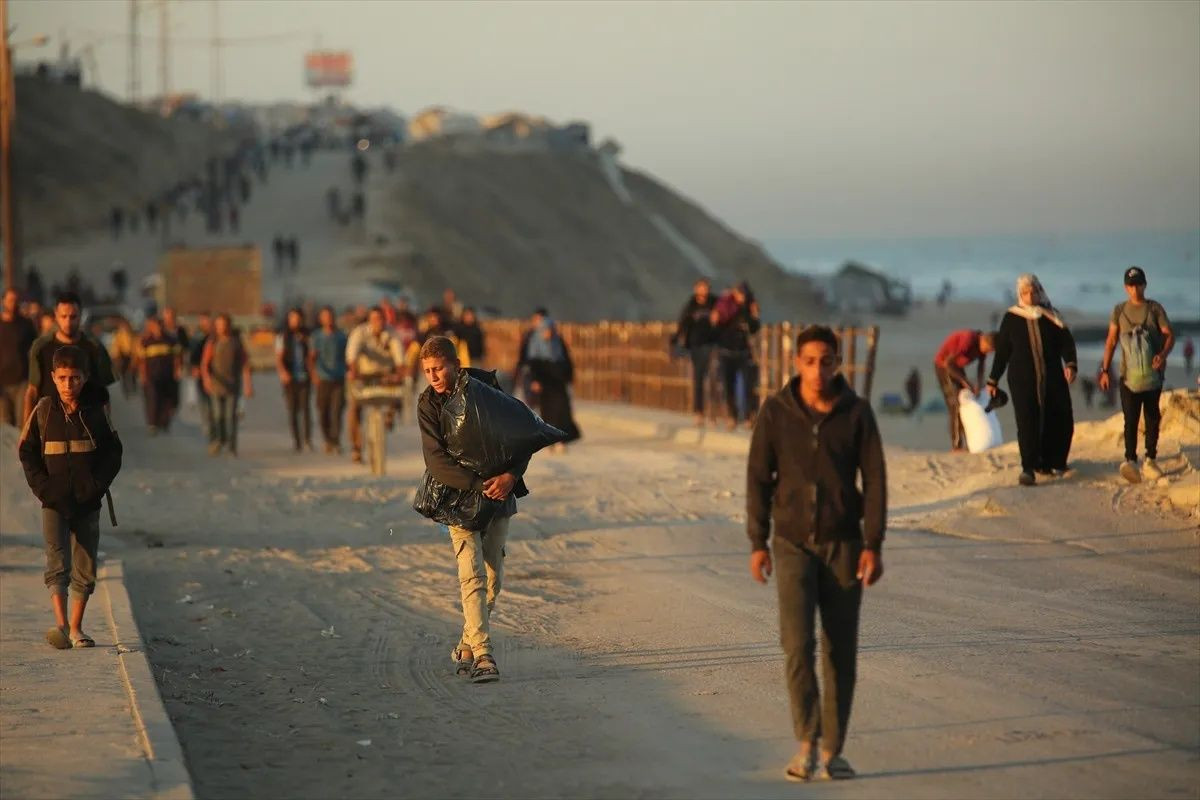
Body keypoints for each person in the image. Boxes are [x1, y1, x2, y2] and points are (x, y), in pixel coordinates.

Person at [746, 325, 886, 782]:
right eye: (809, 361)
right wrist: (757, 542)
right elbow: (757, 479)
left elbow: (875, 481)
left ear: (838, 362)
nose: (818, 370)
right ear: (796, 363)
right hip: (790, 544)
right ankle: (805, 745)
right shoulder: (776, 412)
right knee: (797, 645)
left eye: (826, 361)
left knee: (840, 651)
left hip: (845, 545)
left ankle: (834, 751)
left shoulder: (857, 414)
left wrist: (873, 544)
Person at [417, 336, 531, 684]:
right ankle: (483, 655)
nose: (433, 377)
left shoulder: (486, 386)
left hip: (500, 493)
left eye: (438, 369)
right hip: (459, 499)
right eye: (427, 371)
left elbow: (522, 434)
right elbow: (436, 462)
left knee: (494, 577)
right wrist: (480, 484)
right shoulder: (428, 405)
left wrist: (511, 476)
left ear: (454, 364)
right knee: (472, 576)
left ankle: (466, 643)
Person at [18, 345, 123, 650]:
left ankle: (77, 628)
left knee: (85, 564)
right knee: (56, 560)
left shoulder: (96, 413)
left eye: (74, 378)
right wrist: (43, 488)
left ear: (85, 378)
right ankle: (61, 625)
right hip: (53, 502)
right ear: (53, 376)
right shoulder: (44, 410)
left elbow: (113, 454)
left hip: (88, 502)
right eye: (62, 378)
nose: (68, 385)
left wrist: (96, 485)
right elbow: (27, 453)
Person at [987, 274, 1078, 486]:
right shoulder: (1011, 318)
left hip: (1053, 376)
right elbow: (1002, 352)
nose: (1030, 296)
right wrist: (993, 380)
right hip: (1022, 379)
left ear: (1039, 291)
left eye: (1033, 291)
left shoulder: (1052, 316)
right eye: (1025, 292)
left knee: (1061, 418)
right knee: (1027, 421)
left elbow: (1067, 343)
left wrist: (1071, 364)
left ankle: (1052, 462)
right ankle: (1028, 468)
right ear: (1020, 294)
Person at [1098, 267, 1174, 483]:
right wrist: (1105, 371)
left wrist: (1163, 354)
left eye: (1138, 284)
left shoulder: (1154, 309)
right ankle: (1131, 460)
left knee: (1152, 418)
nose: (1135, 288)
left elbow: (1170, 335)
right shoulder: (1119, 311)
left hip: (1153, 376)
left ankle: (1150, 458)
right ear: (1125, 287)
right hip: (1127, 377)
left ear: (1145, 285)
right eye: (1131, 285)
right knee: (1130, 419)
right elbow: (1111, 341)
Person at [24, 293, 116, 426]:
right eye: (63, 316)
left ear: (80, 315)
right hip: (50, 423)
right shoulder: (41, 348)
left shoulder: (94, 347)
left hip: (86, 423)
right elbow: (32, 391)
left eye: (73, 317)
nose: (68, 322)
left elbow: (104, 394)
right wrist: (26, 430)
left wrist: (107, 428)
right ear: (56, 315)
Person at [345, 307, 405, 464]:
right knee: (354, 407)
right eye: (374, 319)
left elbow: (399, 358)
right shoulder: (360, 333)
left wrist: (399, 373)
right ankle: (356, 447)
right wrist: (353, 371)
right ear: (369, 320)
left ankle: (390, 416)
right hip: (363, 374)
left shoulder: (392, 333)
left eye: (381, 319)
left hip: (386, 375)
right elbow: (352, 355)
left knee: (399, 392)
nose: (378, 322)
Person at [932, 330, 996, 451]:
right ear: (983, 341)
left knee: (965, 403)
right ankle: (956, 445)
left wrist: (979, 384)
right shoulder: (968, 341)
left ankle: (969, 442)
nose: (987, 352)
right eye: (987, 349)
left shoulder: (982, 348)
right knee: (955, 404)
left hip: (957, 368)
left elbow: (981, 367)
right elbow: (948, 364)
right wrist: (966, 382)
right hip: (943, 366)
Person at [523, 317, 581, 451]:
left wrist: (569, 376)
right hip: (544, 383)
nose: (547, 333)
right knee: (548, 413)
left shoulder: (558, 342)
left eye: (549, 330)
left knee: (562, 411)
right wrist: (534, 381)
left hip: (558, 382)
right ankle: (551, 441)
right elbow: (532, 365)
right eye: (545, 330)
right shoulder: (535, 343)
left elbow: (566, 361)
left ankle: (561, 440)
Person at [200, 313, 253, 456]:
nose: (221, 328)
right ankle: (218, 440)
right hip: (216, 385)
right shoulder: (213, 342)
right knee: (217, 416)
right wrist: (206, 379)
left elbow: (245, 364)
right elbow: (205, 363)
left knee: (230, 416)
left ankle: (231, 446)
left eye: (223, 324)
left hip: (233, 385)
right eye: (218, 325)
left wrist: (248, 384)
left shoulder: (236, 342)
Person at [711, 283, 761, 429]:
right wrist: (715, 322)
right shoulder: (725, 307)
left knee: (748, 385)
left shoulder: (747, 309)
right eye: (739, 294)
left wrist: (755, 316)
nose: (742, 297)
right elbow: (716, 330)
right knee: (728, 386)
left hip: (744, 352)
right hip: (726, 352)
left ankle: (748, 416)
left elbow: (754, 329)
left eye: (744, 294)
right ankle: (732, 416)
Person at [672, 278, 716, 426]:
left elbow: (725, 317)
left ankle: (712, 413)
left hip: (712, 344)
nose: (703, 291)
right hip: (695, 346)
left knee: (713, 378)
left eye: (705, 288)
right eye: (700, 288)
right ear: (696, 289)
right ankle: (699, 412)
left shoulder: (714, 303)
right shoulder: (691, 305)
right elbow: (682, 323)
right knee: (698, 378)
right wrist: (676, 339)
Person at [310, 306, 348, 454]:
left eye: (330, 316)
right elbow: (312, 358)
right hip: (322, 379)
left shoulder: (341, 337)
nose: (328, 319)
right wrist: (314, 375)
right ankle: (327, 439)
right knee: (323, 411)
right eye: (325, 316)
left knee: (337, 410)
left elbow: (347, 357)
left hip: (338, 378)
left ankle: (335, 440)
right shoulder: (317, 337)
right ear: (321, 319)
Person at [276, 308, 313, 452]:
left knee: (305, 409)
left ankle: (307, 439)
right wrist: (283, 372)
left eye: (298, 318)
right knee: (292, 410)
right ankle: (297, 441)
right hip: (290, 378)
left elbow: (311, 355)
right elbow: (279, 358)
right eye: (293, 318)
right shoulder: (283, 336)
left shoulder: (307, 335)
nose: (295, 321)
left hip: (304, 376)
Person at [0, 288, 37, 427]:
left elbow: (35, 350)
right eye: (10, 300)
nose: (13, 304)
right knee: (5, 423)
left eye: (16, 300)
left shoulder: (26, 325)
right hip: (2, 382)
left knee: (23, 422)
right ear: (3, 301)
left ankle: (21, 449)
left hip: (22, 380)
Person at [139, 317, 180, 434]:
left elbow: (176, 357)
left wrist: (177, 371)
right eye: (156, 327)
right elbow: (142, 361)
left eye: (160, 326)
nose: (159, 329)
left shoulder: (171, 340)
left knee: (166, 399)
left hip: (167, 375)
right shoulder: (146, 341)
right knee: (153, 398)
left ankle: (164, 422)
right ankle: (152, 423)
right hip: (152, 376)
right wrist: (143, 375)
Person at [189, 312, 214, 442]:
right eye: (203, 321)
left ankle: (214, 425)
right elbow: (192, 353)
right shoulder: (197, 336)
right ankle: (207, 425)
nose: (206, 323)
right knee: (204, 401)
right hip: (200, 372)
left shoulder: (215, 336)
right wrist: (194, 367)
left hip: (214, 373)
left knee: (213, 402)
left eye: (207, 321)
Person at [108, 318, 139, 399]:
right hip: (123, 356)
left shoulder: (133, 335)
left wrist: (135, 356)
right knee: (124, 374)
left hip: (131, 355)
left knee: (133, 372)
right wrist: (116, 357)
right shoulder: (118, 335)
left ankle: (133, 387)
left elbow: (136, 345)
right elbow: (115, 347)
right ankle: (126, 390)